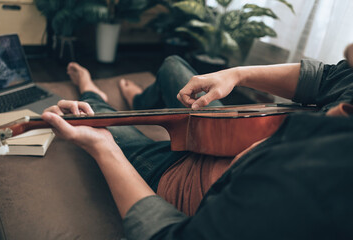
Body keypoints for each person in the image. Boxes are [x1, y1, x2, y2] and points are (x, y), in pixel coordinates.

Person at [42, 48, 353, 239]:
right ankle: (140, 98)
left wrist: (103, 147)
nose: (349, 49)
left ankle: (93, 91)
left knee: (99, 119)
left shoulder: (311, 182)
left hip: (185, 180)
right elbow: (326, 78)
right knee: (172, 66)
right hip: (226, 135)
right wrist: (236, 75)